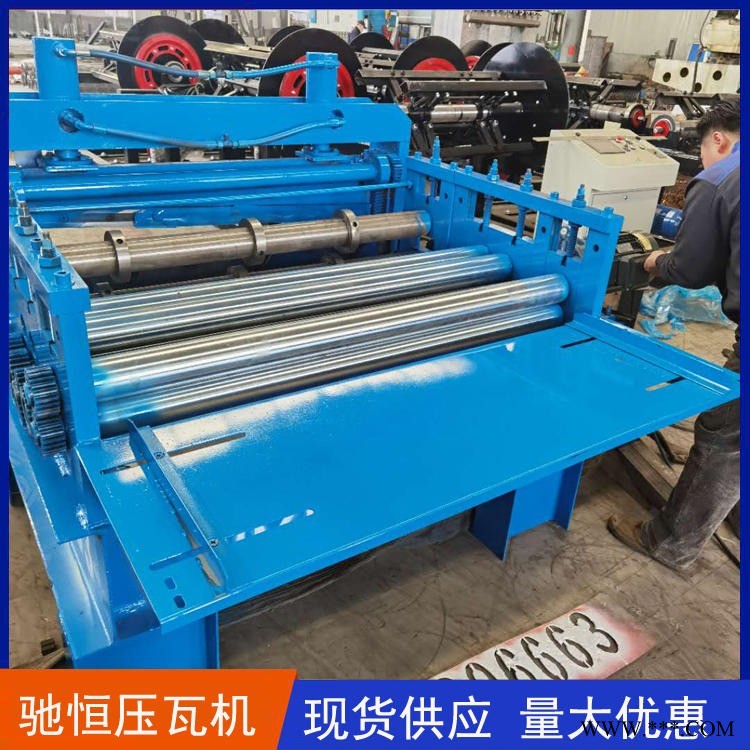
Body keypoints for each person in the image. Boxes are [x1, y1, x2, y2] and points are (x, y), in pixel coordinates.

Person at [607, 100, 740, 570]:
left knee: (723, 435)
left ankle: (671, 543)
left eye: (702, 150)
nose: (702, 160)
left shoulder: (720, 177)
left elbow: (690, 267)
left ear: (717, 139)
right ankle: (732, 510)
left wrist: (654, 261)